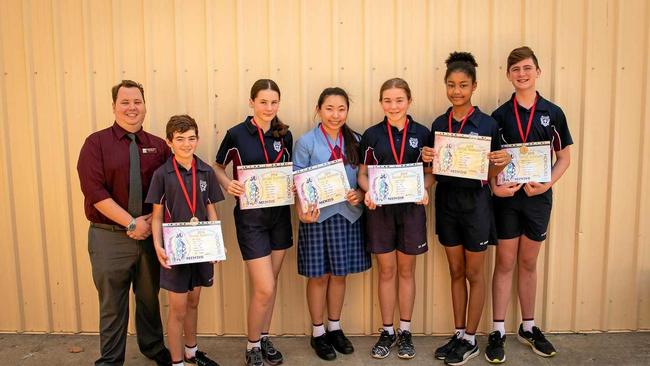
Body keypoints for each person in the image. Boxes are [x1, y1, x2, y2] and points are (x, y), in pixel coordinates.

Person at [422, 52, 511, 366]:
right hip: (447, 204)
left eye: (462, 85)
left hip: (476, 207)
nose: (456, 91)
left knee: (475, 273)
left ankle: (472, 338)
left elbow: (494, 170)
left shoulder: (487, 123)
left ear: (474, 86)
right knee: (455, 272)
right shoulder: (439, 123)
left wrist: (504, 161)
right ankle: (459, 333)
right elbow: (434, 168)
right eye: (451, 85)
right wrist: (426, 155)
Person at [485, 46, 573, 363]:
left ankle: (528, 326)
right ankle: (497, 330)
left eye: (527, 68)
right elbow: (491, 164)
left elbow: (564, 157)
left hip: (538, 198)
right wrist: (496, 187)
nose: (521, 74)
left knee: (529, 263)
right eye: (515, 69)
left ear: (538, 71)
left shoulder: (554, 113)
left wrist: (547, 183)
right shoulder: (499, 117)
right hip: (508, 201)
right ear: (508, 75)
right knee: (505, 262)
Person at [77, 80, 171, 366]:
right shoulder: (96, 143)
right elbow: (94, 192)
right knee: (112, 304)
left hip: (148, 235)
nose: (132, 108)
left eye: (137, 102)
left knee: (148, 298)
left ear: (145, 105)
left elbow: (171, 188)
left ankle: (153, 348)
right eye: (125, 102)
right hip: (109, 237)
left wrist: (148, 223)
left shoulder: (158, 146)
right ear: (114, 106)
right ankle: (111, 359)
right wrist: (131, 223)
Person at [213, 79, 292, 366]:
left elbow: (288, 172)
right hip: (251, 219)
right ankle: (252, 345)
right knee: (265, 288)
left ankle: (264, 337)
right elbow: (217, 166)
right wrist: (227, 184)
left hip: (280, 216)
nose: (268, 108)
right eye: (263, 102)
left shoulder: (285, 134)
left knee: (272, 282)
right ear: (251, 102)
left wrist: (293, 186)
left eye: (274, 102)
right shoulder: (236, 134)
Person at [357, 78, 434, 360]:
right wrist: (368, 192)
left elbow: (430, 172)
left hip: (412, 210)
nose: (393, 106)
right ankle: (387, 330)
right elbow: (362, 174)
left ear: (409, 101)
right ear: (381, 103)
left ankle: (405, 331)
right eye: (387, 101)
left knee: (406, 272)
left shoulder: (423, 133)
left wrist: (424, 190)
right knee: (387, 271)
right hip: (381, 212)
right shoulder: (372, 134)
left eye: (399, 100)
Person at [292, 87, 370, 361]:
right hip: (317, 218)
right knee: (319, 276)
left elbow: (363, 178)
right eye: (329, 108)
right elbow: (297, 183)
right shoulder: (306, 142)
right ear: (318, 109)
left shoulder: (357, 140)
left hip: (347, 216)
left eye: (341, 109)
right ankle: (317, 332)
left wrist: (359, 194)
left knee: (339, 274)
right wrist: (302, 211)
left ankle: (335, 327)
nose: (335, 115)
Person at [146, 115, 224, 366]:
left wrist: (217, 240)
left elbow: (211, 207)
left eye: (191, 138)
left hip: (200, 248)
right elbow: (156, 216)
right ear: (169, 142)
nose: (186, 144)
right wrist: (158, 246)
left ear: (197, 140)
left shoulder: (205, 171)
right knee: (177, 308)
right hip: (175, 250)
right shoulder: (162, 174)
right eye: (180, 139)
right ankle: (176, 361)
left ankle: (191, 351)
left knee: (193, 301)